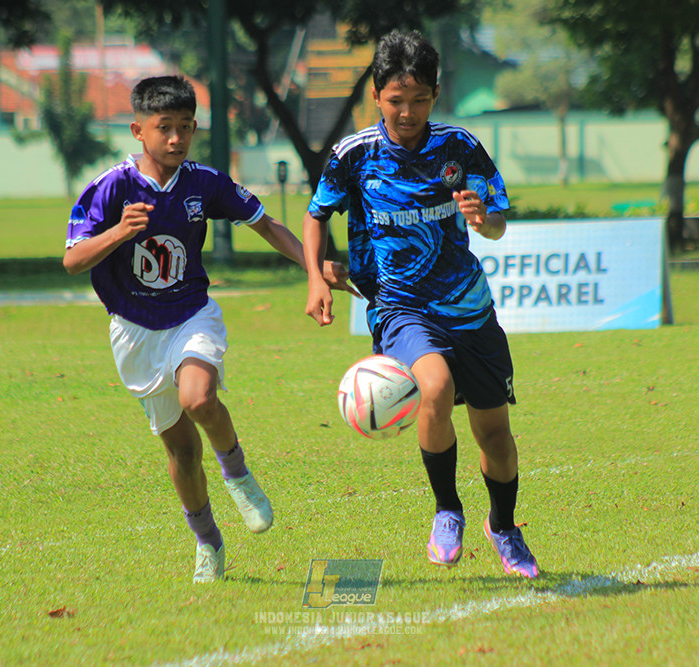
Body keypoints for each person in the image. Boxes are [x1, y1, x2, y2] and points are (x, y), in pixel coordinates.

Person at [64, 75, 353, 583]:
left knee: (199, 398)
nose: (175, 139)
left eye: (184, 128)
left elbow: (267, 225)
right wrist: (119, 231)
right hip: (134, 331)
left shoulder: (205, 182)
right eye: (163, 128)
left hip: (192, 314)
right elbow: (72, 260)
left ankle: (238, 474)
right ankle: (209, 543)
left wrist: (315, 269)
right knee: (180, 449)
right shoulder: (111, 187)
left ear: (194, 129)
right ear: (138, 130)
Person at [302, 31, 538, 578]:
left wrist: (485, 218)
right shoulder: (354, 155)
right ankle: (447, 509)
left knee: (496, 437)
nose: (407, 112)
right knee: (432, 385)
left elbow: (499, 223)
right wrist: (315, 278)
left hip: (469, 309)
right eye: (395, 100)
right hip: (398, 306)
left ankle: (503, 526)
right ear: (376, 97)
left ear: (435, 94)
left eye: (419, 100)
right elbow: (316, 215)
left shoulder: (460, 146)